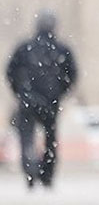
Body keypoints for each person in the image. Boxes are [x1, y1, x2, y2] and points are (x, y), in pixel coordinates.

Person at [5, 11, 77, 190]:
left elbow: (10, 72)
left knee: (26, 137)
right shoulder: (61, 49)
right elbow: (72, 75)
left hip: (27, 100)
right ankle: (47, 174)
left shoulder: (24, 48)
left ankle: (30, 169)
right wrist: (59, 93)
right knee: (50, 138)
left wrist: (20, 92)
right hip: (50, 102)